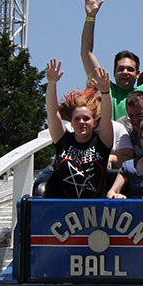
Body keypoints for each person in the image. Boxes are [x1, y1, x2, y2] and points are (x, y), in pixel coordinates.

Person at [80, 0, 143, 119]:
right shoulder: (105, 88)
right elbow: (86, 53)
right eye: (121, 69)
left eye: (130, 69)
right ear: (113, 72)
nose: (125, 72)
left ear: (137, 74)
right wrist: (90, 17)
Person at [45, 59, 113, 199]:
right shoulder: (63, 140)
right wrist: (52, 84)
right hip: (65, 209)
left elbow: (106, 118)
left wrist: (105, 92)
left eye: (86, 119)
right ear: (71, 122)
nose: (82, 122)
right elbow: (52, 113)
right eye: (77, 119)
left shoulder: (102, 142)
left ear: (94, 123)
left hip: (94, 211)